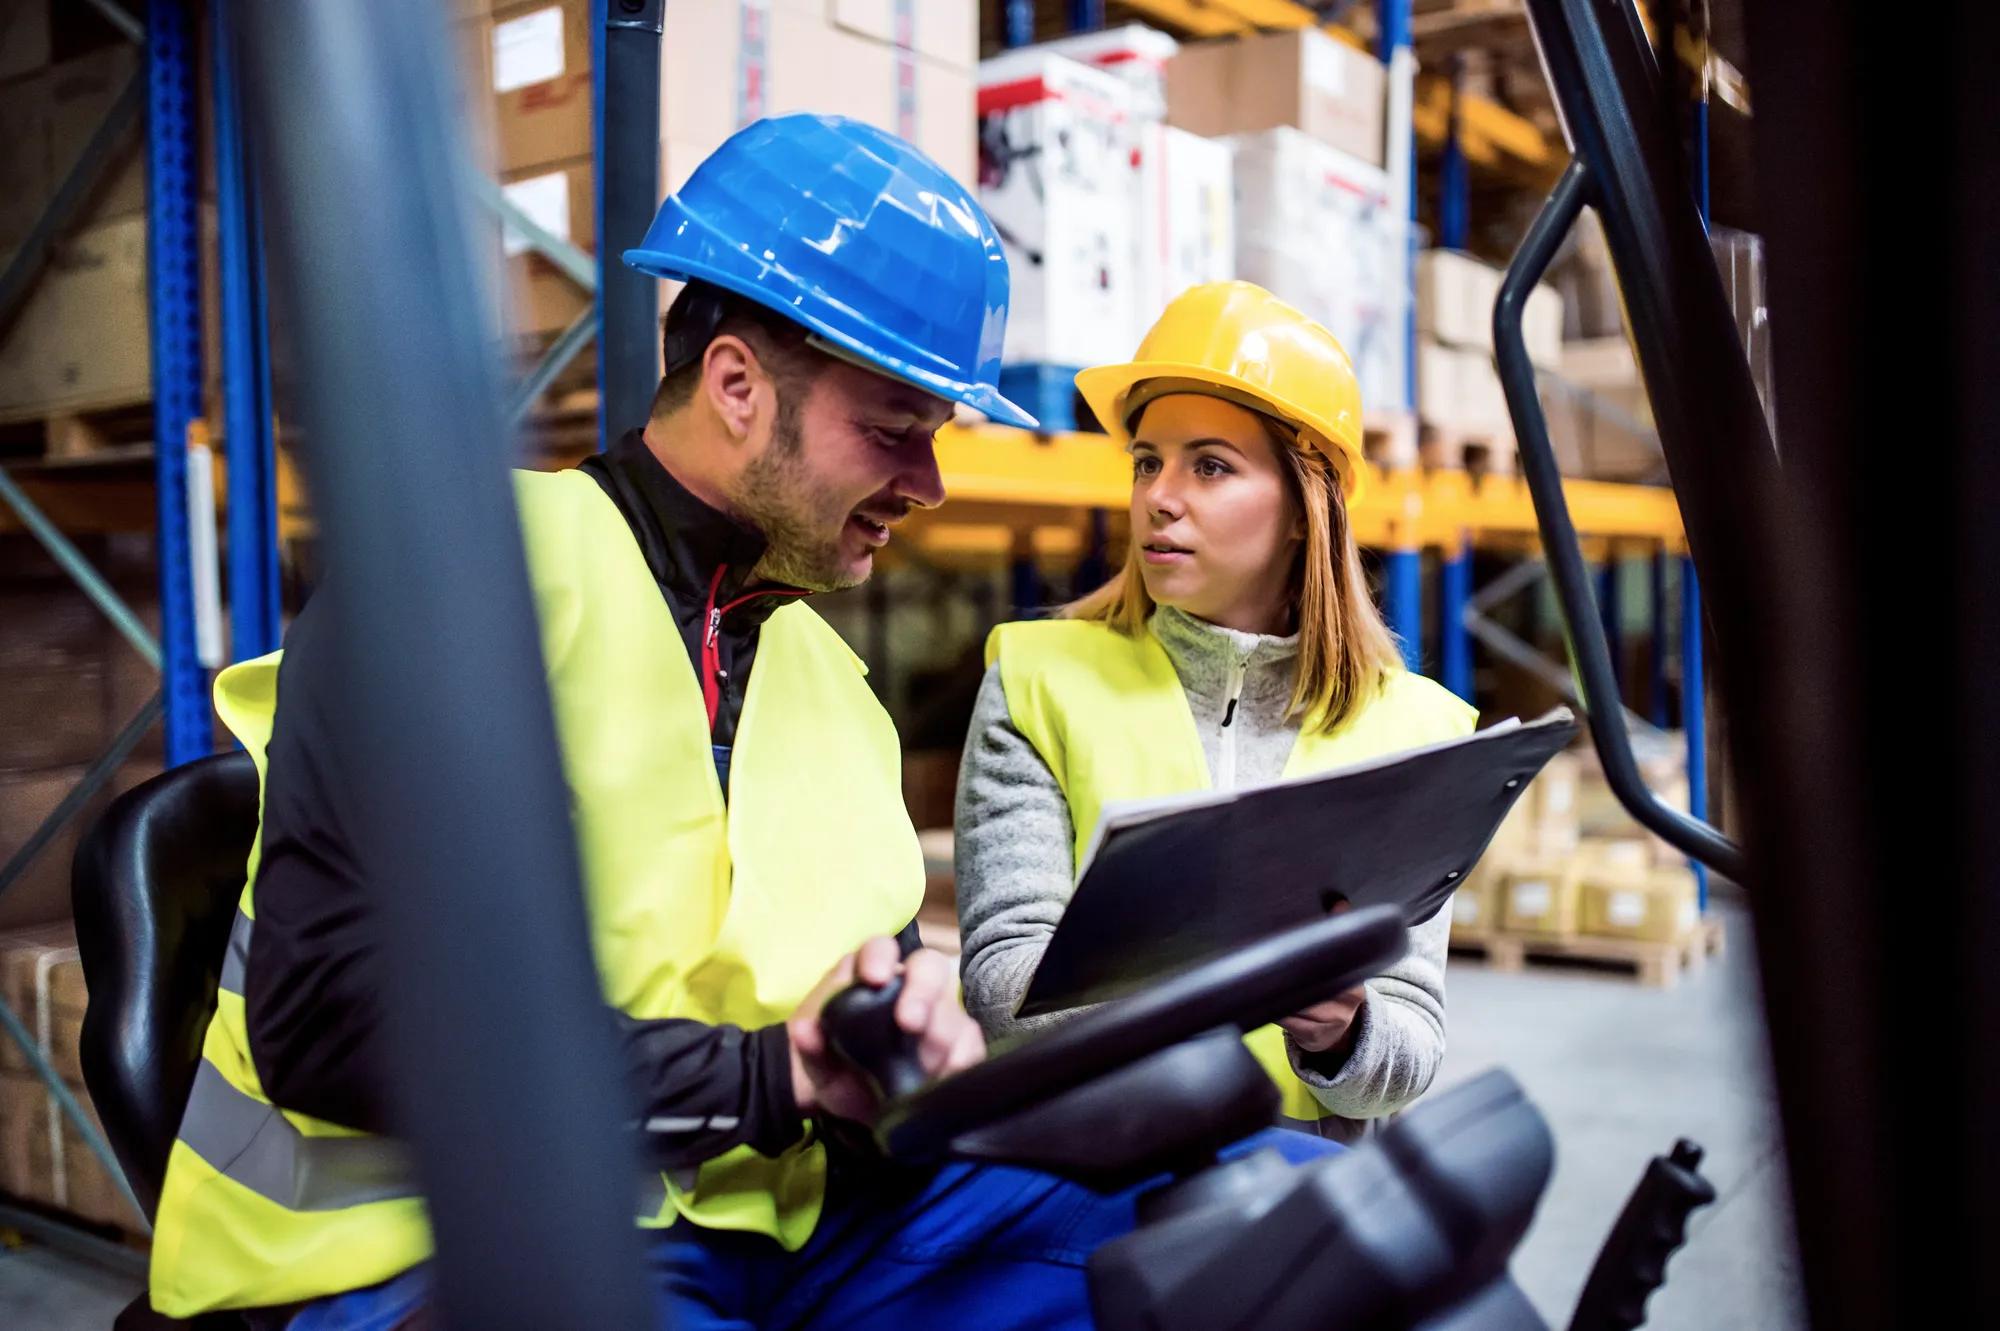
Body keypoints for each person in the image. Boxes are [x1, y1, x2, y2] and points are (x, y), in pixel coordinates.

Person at [143, 120, 1334, 1330]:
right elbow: (327, 1015)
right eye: (892, 428)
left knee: (1292, 1219)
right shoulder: (465, 577)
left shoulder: (829, 683)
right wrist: (766, 1077)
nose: (927, 485)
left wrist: (906, 1043)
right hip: (439, 1254)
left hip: (784, 1230)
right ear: (735, 385)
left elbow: (832, 1018)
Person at [956, 281, 1479, 1144]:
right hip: (1087, 1192)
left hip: (1303, 1207)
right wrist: (1247, 977)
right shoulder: (1037, 680)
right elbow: (1007, 988)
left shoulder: (1411, 731)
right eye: (1146, 461)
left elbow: (1410, 1047)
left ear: (1307, 509)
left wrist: (1348, 1031)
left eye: (1210, 465)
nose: (1161, 495)